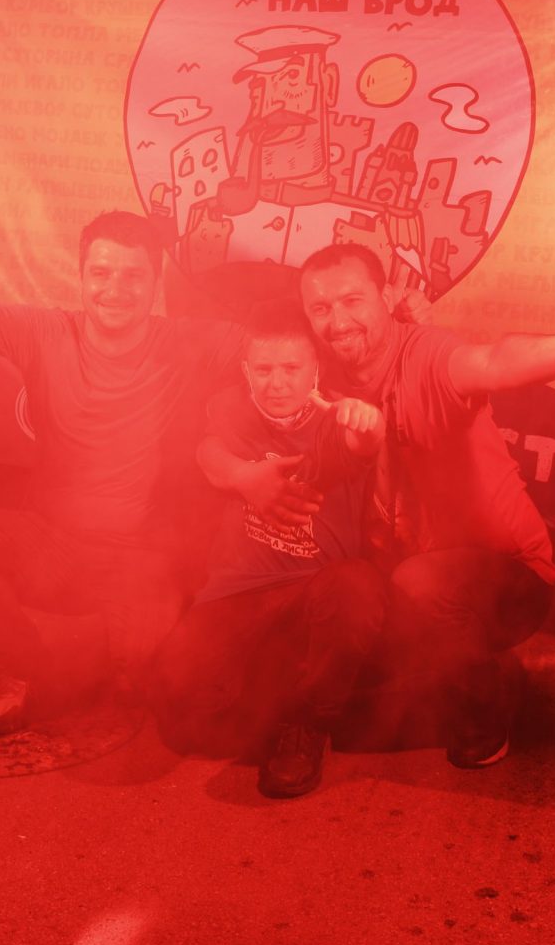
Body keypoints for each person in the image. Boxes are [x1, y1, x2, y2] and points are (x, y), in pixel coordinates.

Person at [0, 205, 244, 734]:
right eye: (101, 273)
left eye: (133, 275)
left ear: (155, 282)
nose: (115, 289)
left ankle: (120, 654)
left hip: (139, 560)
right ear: (80, 277)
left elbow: (276, 347)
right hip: (50, 547)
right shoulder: (47, 333)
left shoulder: (187, 342)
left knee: (164, 693)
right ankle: (23, 667)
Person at [295, 241, 555, 769]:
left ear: (387, 297)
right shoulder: (322, 378)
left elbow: (492, 361)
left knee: (421, 584)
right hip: (401, 577)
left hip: (504, 581)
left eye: (352, 300)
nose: (338, 321)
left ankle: (486, 700)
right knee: (356, 684)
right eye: (321, 308)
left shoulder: (427, 355)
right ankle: (446, 665)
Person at [151, 302, 386, 798]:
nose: (277, 383)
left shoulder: (335, 418)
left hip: (315, 593)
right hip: (239, 592)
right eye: (264, 369)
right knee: (180, 718)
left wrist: (367, 423)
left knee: (358, 587)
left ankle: (307, 722)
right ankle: (278, 692)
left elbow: (364, 442)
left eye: (291, 369)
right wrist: (243, 477)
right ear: (246, 370)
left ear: (315, 370)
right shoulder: (229, 406)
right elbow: (206, 452)